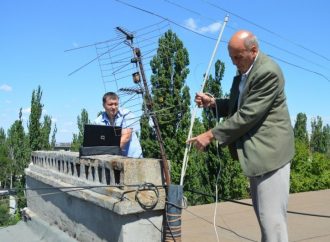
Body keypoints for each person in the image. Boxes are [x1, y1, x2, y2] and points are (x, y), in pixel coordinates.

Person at [188, 30, 294, 242]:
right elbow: (238, 105)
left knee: (272, 224)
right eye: (231, 58)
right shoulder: (246, 73)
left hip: (270, 156)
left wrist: (211, 134)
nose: (235, 62)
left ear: (253, 51)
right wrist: (214, 102)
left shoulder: (268, 72)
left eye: (238, 57)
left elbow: (248, 115)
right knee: (265, 221)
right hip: (256, 157)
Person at [94, 92, 143, 158]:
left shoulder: (127, 114)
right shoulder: (98, 121)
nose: (114, 107)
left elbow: (126, 137)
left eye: (116, 104)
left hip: (133, 158)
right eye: (110, 104)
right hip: (112, 158)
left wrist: (109, 153)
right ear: (104, 105)